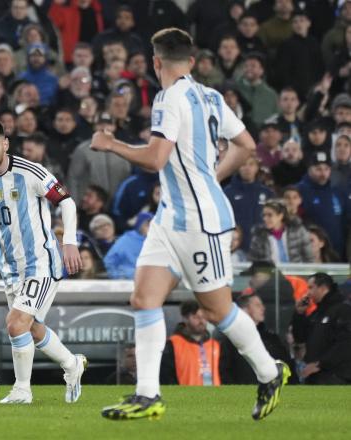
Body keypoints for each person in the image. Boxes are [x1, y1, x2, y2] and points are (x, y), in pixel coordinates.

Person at [92, 28, 288, 421]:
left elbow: (156, 159)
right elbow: (246, 145)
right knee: (144, 299)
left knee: (217, 311)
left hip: (200, 223)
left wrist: (112, 144)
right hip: (170, 217)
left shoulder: (167, 98)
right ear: (193, 62)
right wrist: (212, 177)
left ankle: (270, 371)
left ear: (156, 62)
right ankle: (148, 395)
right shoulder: (212, 96)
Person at [0, 119, 87, 404]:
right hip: (11, 270)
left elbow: (67, 202)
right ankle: (72, 365)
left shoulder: (30, 171)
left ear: (5, 144)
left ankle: (23, 389)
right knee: (31, 329)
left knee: (15, 323)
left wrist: (69, 241)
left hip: (40, 263)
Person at [220, 294, 294, 385]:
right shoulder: (231, 339)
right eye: (258, 305)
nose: (263, 308)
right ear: (244, 309)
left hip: (272, 394)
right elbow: (225, 372)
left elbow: (287, 366)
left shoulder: (272, 339)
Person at [291, 273, 351, 384]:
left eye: (311, 288)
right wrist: (299, 314)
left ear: (323, 288)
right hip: (316, 375)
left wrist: (321, 364)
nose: (307, 293)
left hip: (336, 376)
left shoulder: (343, 310)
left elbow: (345, 343)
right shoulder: (317, 313)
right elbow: (300, 338)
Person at [160, 300, 220, 386]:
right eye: (196, 317)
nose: (201, 321)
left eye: (204, 317)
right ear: (185, 318)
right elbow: (166, 376)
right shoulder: (173, 344)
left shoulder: (215, 344)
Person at [248, 198, 313, 264]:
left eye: (270, 215)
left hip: (296, 273)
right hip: (270, 273)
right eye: (264, 215)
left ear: (281, 216)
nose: (265, 219)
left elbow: (309, 259)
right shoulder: (259, 236)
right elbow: (253, 262)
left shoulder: (298, 231)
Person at [104, 212, 153, 280]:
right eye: (147, 224)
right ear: (140, 225)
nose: (151, 227)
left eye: (153, 224)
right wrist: (118, 277)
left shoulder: (156, 242)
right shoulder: (126, 240)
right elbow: (109, 260)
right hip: (126, 284)